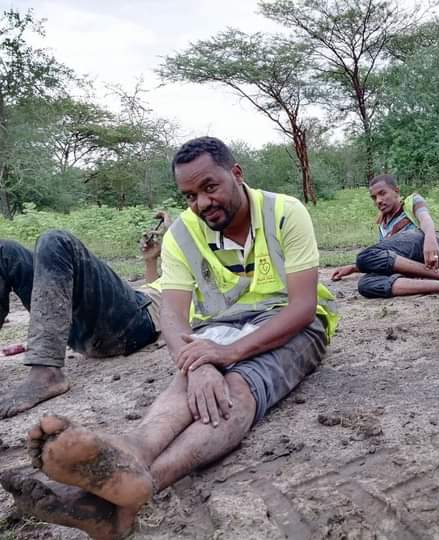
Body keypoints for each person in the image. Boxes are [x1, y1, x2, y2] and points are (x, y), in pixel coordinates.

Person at [0, 136, 338, 540]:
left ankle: (138, 489)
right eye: (190, 196)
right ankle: (133, 451)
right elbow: (173, 317)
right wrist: (196, 364)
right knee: (191, 385)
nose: (201, 203)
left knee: (237, 388)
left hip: (289, 321)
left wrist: (227, 353)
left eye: (209, 187)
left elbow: (302, 307)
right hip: (220, 326)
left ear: (236, 174)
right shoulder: (183, 233)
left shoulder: (284, 212)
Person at [0, 212, 171, 419]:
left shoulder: (197, 277)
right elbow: (155, 288)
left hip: (138, 321)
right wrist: (151, 260)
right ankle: (46, 366)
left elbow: (175, 305)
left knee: (56, 240)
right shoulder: (174, 278)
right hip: (120, 314)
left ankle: (46, 371)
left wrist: (175, 235)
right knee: (5, 251)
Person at [331, 174, 439, 297]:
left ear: (396, 191)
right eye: (374, 198)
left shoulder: (412, 201)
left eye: (382, 193)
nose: (378, 200)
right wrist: (354, 268)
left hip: (431, 251)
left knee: (363, 257)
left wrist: (430, 240)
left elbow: (425, 219)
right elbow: (387, 259)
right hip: (413, 265)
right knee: (365, 284)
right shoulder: (383, 226)